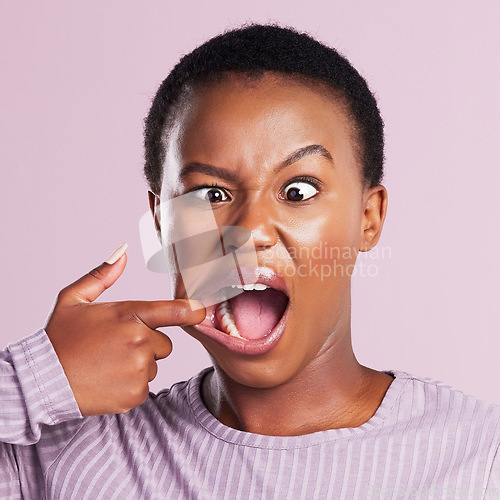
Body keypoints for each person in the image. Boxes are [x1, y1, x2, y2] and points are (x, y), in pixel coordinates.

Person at [1, 24, 499, 499]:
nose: (252, 230)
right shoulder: (71, 458)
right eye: (211, 193)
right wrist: (32, 382)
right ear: (160, 224)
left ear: (368, 219)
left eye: (298, 191)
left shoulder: (481, 459)